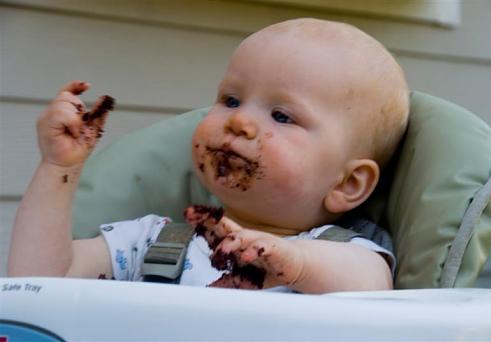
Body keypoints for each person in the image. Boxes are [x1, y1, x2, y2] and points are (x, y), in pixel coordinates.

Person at [8, 18, 409, 294]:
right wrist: (59, 168)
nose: (240, 122)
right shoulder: (154, 241)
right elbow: (41, 280)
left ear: (347, 183)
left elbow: (373, 288)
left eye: (282, 116)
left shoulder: (345, 254)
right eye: (231, 100)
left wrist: (296, 263)